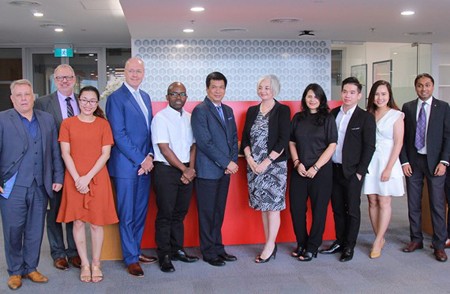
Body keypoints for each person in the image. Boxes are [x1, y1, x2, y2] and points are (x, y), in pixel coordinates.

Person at [0, 79, 64, 290]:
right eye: (19, 95)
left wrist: (57, 177)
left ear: (33, 96)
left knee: (35, 229)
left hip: (40, 184)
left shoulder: (46, 119)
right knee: (13, 229)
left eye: (27, 94)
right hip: (13, 185)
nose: (24, 98)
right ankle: (15, 271)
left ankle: (31, 268)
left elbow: (55, 152)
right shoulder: (3, 119)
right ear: (12, 98)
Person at [56, 86, 118, 282]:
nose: (88, 104)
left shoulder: (103, 125)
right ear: (78, 101)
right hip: (74, 178)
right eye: (84, 100)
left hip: (97, 178)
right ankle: (84, 263)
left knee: (96, 223)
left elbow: (105, 154)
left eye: (92, 101)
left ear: (97, 103)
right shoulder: (67, 123)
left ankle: (96, 263)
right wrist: (77, 178)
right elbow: (65, 153)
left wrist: (87, 177)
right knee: (78, 221)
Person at [106, 57, 157, 277]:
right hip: (126, 166)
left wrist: (150, 156)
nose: (135, 74)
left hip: (144, 165)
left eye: (138, 71)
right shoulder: (115, 98)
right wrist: (141, 160)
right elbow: (119, 134)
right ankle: (130, 258)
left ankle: (135, 250)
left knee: (139, 212)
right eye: (131, 71)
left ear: (143, 73)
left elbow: (149, 131)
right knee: (126, 213)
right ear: (124, 73)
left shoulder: (145, 97)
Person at [320, 77, 376, 262]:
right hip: (333, 169)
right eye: (345, 91)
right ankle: (340, 241)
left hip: (353, 172)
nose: (348, 95)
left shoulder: (366, 117)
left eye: (352, 92)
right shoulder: (333, 113)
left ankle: (349, 246)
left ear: (359, 95)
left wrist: (360, 171)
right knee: (337, 208)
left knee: (352, 209)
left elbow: (369, 146)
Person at [34, 64, 81, 270]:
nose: (64, 81)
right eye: (60, 77)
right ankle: (58, 252)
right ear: (54, 79)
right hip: (52, 166)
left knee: (73, 211)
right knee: (53, 212)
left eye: (68, 77)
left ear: (74, 79)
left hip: (78, 168)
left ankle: (74, 251)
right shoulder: (42, 103)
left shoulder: (84, 101)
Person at [400, 73, 450, 262]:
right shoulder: (408, 107)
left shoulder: (443, 107)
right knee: (413, 203)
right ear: (416, 87)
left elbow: (448, 137)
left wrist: (444, 162)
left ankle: (439, 244)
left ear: (433, 86)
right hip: (414, 162)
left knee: (437, 205)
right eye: (420, 86)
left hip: (436, 163)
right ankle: (416, 239)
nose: (424, 89)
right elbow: (403, 139)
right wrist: (404, 161)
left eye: (427, 85)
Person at [191, 71, 239, 267]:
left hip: (224, 171)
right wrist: (226, 162)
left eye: (221, 87)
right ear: (207, 89)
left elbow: (233, 138)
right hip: (207, 172)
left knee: (219, 212)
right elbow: (205, 142)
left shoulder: (227, 110)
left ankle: (218, 247)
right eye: (214, 87)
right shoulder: (200, 110)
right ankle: (209, 252)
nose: (218, 90)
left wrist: (232, 162)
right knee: (207, 213)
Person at [241, 75, 290, 263]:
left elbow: (283, 140)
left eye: (267, 88)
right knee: (262, 206)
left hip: (274, 166)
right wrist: (250, 159)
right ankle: (269, 242)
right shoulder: (252, 111)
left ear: (274, 90)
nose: (263, 91)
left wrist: (266, 162)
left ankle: (270, 245)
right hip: (253, 166)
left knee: (273, 207)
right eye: (261, 87)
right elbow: (245, 138)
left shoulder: (282, 110)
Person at [151, 82, 199, 273]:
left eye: (182, 94)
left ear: (186, 97)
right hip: (166, 171)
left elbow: (193, 146)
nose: (178, 97)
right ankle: (164, 255)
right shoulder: (160, 118)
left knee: (180, 213)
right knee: (165, 214)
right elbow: (164, 148)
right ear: (167, 97)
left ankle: (177, 249)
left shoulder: (189, 118)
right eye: (174, 94)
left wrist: (191, 169)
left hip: (187, 170)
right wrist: (184, 170)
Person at [289, 83, 337, 261]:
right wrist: (297, 162)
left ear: (321, 99)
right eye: (309, 96)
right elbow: (291, 142)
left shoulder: (328, 118)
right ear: (304, 98)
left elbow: (332, 145)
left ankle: (312, 246)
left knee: (319, 210)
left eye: (316, 96)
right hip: (299, 170)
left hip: (321, 172)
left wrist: (316, 167)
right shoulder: (298, 118)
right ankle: (301, 243)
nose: (312, 99)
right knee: (297, 209)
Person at [363, 80, 405, 259]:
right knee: (372, 200)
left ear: (389, 96)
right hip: (370, 161)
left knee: (384, 200)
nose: (380, 98)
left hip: (387, 161)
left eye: (384, 94)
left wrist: (388, 168)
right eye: (377, 94)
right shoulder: (367, 114)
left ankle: (378, 240)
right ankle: (378, 237)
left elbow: (398, 143)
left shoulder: (396, 115)